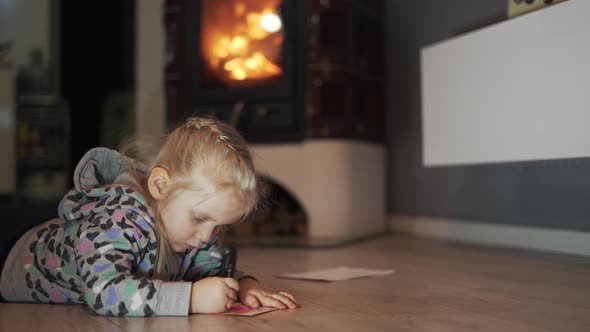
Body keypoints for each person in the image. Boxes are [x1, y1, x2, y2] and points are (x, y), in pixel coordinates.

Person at [0, 117, 300, 316]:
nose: (208, 236)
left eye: (220, 225)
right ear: (160, 186)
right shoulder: (118, 221)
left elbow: (205, 271)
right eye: (199, 218)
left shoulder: (189, 233)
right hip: (12, 256)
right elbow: (105, 292)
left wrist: (244, 284)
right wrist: (190, 299)